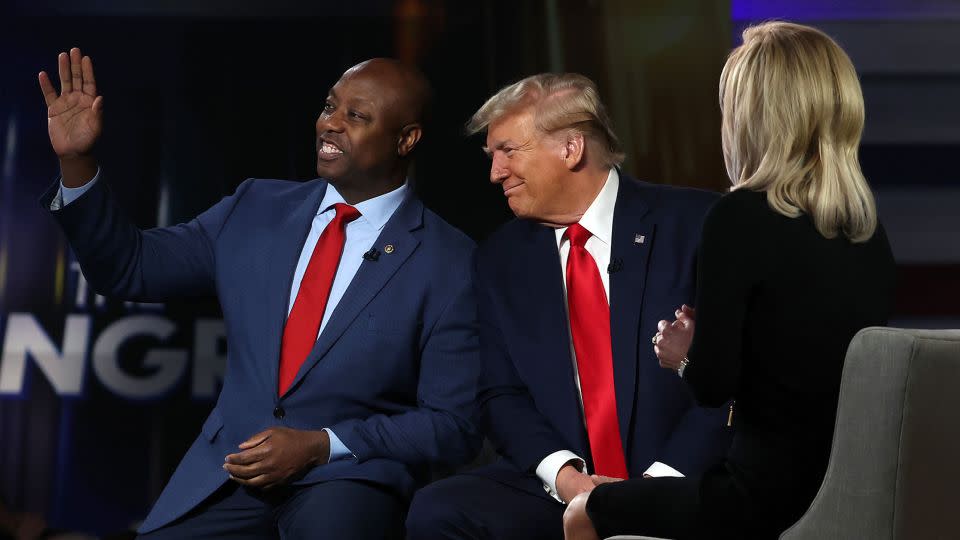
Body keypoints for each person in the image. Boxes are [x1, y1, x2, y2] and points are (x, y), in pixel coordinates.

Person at [37, 49, 481, 539]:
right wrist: (76, 161)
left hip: (348, 480)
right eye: (329, 106)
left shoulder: (450, 261)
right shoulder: (256, 207)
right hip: (229, 472)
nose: (330, 124)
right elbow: (129, 267)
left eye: (356, 116)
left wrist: (321, 444)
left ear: (406, 139)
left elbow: (453, 424)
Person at [562, 21, 897, 540]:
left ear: (754, 117)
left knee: (582, 510)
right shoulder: (868, 234)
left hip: (757, 495)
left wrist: (683, 352)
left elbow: (712, 386)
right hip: (847, 487)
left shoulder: (738, 217)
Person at [406, 73, 731, 540]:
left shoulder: (698, 225)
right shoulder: (500, 259)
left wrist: (650, 493)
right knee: (439, 510)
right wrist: (570, 481)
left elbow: (735, 386)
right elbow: (500, 395)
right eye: (492, 156)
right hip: (567, 491)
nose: (495, 172)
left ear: (571, 148)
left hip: (683, 481)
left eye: (508, 151)